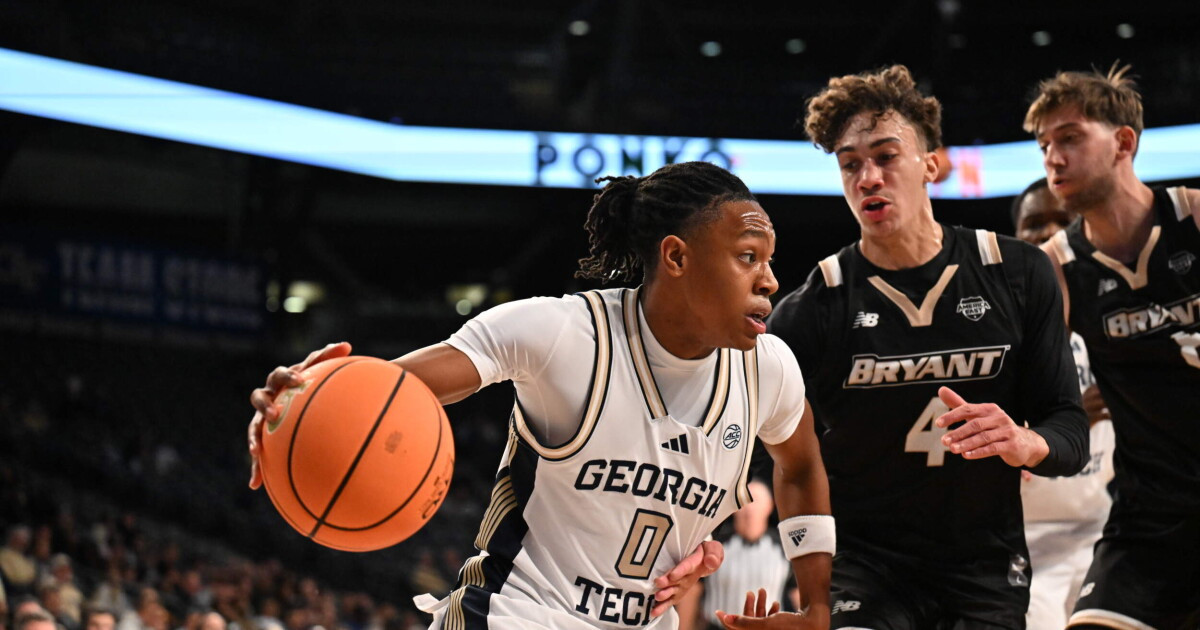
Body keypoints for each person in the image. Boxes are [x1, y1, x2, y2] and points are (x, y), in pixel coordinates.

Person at [246, 161, 834, 629]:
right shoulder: (565, 335)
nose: (771, 280)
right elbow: (389, 393)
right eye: (748, 258)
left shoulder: (768, 371)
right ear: (676, 256)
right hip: (515, 614)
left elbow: (802, 465)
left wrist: (815, 605)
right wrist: (301, 400)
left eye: (771, 261)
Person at [761, 65, 1088, 629]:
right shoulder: (815, 305)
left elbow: (1069, 430)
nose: (868, 177)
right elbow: (768, 453)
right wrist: (811, 593)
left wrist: (1024, 440)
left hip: (985, 563)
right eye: (850, 165)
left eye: (886, 156)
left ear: (932, 164)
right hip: (866, 566)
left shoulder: (1017, 273)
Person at [1025, 63, 1200, 629]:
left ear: (1123, 141)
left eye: (1070, 137)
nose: (1053, 157)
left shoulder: (1194, 217)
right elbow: (1034, 390)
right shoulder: (1056, 266)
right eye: (1045, 144)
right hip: (1149, 520)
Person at [1011, 179, 1116, 630]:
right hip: (1024, 538)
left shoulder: (1114, 323)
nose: (1048, 233)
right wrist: (1065, 423)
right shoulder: (997, 338)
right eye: (1034, 224)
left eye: (1062, 221)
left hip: (1106, 530)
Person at [695, 480, 790, 630]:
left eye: (756, 502)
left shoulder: (783, 548)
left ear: (769, 506)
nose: (750, 509)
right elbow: (694, 590)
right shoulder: (716, 544)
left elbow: (798, 593)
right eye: (746, 501)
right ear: (735, 507)